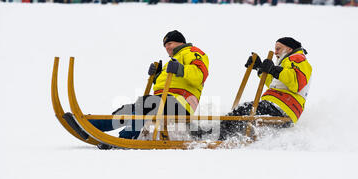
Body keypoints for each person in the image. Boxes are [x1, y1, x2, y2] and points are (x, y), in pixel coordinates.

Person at [64, 30, 210, 143]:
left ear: (179, 42)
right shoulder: (171, 62)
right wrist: (156, 77)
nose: (167, 48)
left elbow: (200, 74)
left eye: (169, 44)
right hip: (167, 101)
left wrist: (180, 69)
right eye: (165, 46)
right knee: (128, 109)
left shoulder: (192, 52)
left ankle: (126, 138)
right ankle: (90, 126)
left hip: (183, 104)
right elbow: (167, 87)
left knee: (145, 104)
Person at [219, 37, 312, 140]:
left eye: (278, 48)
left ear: (289, 49)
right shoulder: (286, 62)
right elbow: (274, 84)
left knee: (242, 111)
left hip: (283, 107)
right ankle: (232, 137)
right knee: (242, 112)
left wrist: (274, 69)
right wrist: (260, 68)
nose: (276, 52)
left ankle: (222, 138)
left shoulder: (297, 58)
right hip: (278, 106)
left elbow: (297, 82)